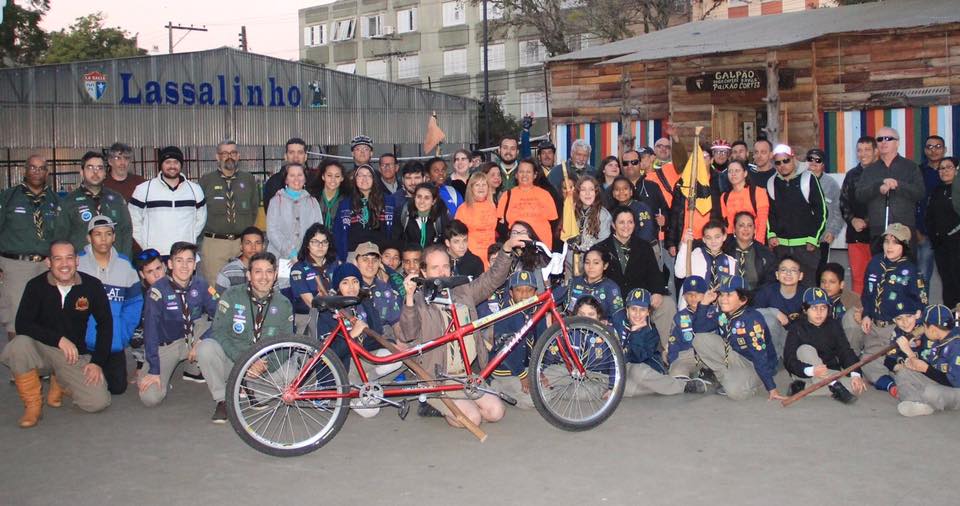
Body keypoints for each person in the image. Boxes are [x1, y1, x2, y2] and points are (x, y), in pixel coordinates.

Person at [398, 235, 528, 428]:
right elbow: (408, 333)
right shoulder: (417, 301)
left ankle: (454, 404)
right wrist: (409, 298)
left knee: (495, 412)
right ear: (423, 272)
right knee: (473, 419)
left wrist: (507, 249)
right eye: (435, 268)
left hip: (467, 374)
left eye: (445, 266)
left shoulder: (462, 291)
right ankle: (433, 403)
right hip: (438, 379)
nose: (442, 273)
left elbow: (492, 279)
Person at [0, 240, 112, 427]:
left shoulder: (92, 286)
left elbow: (105, 324)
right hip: (40, 350)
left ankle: (59, 380)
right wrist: (58, 339)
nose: (64, 264)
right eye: (58, 259)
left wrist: (97, 362)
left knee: (98, 402)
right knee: (18, 345)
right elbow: (22, 324)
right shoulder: (36, 286)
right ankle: (33, 406)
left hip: (73, 354)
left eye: (69, 258)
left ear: (77, 261)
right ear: (48, 262)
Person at [197, 252, 293, 423]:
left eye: (269, 272)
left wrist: (266, 365)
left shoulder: (284, 304)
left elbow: (286, 345)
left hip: (262, 367)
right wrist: (244, 361)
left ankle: (248, 388)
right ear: (249, 275)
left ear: (276, 275)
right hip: (234, 359)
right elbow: (219, 331)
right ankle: (223, 398)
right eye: (258, 272)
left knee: (292, 373)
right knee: (206, 348)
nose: (264, 277)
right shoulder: (232, 295)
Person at [138, 242, 218, 407]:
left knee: (210, 329)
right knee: (150, 398)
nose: (184, 266)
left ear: (194, 265)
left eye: (189, 261)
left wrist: (203, 340)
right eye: (179, 260)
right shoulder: (157, 291)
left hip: (193, 336)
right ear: (170, 264)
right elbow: (150, 331)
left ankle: (193, 368)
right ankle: (160, 372)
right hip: (167, 345)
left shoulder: (201, 285)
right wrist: (154, 369)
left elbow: (221, 316)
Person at [77, 216, 143, 395]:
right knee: (90, 389)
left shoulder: (125, 266)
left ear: (114, 237)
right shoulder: (77, 264)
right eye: (97, 234)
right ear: (89, 238)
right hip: (83, 345)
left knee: (117, 388)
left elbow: (134, 304)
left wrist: (122, 334)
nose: (103, 239)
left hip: (113, 342)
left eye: (108, 234)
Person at [692, 275, 784, 400]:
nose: (723, 299)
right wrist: (703, 304)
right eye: (721, 294)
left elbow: (759, 357)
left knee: (735, 393)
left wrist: (771, 388)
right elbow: (699, 329)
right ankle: (726, 377)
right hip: (735, 355)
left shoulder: (752, 320)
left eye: (729, 295)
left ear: (743, 299)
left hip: (754, 364)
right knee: (699, 340)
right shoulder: (723, 314)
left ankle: (757, 381)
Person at [0, 155, 62, 340]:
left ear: (47, 172)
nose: (37, 172)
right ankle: (21, 367)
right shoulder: (8, 197)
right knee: (16, 319)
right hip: (15, 266)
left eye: (41, 168)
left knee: (48, 315)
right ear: (25, 170)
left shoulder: (55, 200)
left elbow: (61, 234)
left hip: (46, 266)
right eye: (33, 168)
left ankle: (44, 364)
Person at [858, 223, 927, 386]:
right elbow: (867, 294)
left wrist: (914, 327)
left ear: (904, 245)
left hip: (895, 329)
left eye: (895, 242)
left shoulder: (910, 271)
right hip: (874, 326)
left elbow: (922, 303)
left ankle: (891, 382)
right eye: (886, 241)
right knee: (867, 362)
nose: (889, 246)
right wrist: (866, 314)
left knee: (885, 362)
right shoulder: (875, 263)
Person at [617, 288, 708, 397]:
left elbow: (637, 358)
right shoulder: (619, 325)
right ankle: (660, 387)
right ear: (627, 310)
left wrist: (634, 334)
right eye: (633, 309)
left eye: (642, 310)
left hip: (646, 369)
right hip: (624, 372)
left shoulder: (651, 331)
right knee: (622, 387)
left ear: (648, 312)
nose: (637, 314)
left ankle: (683, 386)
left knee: (636, 371)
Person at [782, 287, 865, 404]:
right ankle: (834, 385)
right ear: (805, 310)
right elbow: (789, 360)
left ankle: (802, 388)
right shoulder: (796, 328)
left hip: (828, 370)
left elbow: (845, 350)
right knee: (805, 349)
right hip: (806, 372)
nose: (819, 312)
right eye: (814, 308)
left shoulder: (833, 324)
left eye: (823, 308)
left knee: (855, 386)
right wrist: (811, 370)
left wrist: (855, 373)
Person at [198, 140, 260, 286]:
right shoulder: (206, 180)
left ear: (238, 156)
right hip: (215, 244)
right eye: (224, 153)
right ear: (217, 157)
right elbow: (199, 212)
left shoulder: (249, 179)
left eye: (233, 153)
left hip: (242, 243)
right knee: (214, 285)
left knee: (246, 283)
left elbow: (254, 209)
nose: (229, 157)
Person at [129, 146, 207, 256]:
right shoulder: (144, 189)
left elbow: (201, 219)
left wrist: (189, 238)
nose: (172, 166)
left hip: (184, 255)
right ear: (161, 164)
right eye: (168, 162)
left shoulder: (195, 190)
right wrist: (146, 246)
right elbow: (134, 221)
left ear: (181, 165)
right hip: (155, 256)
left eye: (176, 162)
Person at [856, 127, 925, 248]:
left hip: (904, 229)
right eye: (880, 139)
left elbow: (920, 193)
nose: (883, 142)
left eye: (888, 138)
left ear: (897, 143)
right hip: (878, 229)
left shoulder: (911, 167)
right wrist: (878, 187)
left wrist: (898, 184)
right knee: (880, 265)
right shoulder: (869, 170)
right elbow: (860, 195)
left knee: (905, 266)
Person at [765, 144, 826, 283]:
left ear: (794, 159)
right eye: (778, 162)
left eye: (786, 160)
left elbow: (821, 211)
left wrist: (814, 238)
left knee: (807, 292)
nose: (782, 165)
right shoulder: (771, 183)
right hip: (781, 249)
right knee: (783, 292)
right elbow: (770, 213)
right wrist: (771, 234)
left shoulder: (808, 179)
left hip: (806, 249)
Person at [57, 151, 133, 258]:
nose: (95, 172)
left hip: (114, 264)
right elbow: (61, 238)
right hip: (83, 266)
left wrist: (125, 260)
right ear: (82, 172)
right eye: (90, 167)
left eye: (100, 168)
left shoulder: (117, 199)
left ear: (105, 173)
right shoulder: (69, 202)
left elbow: (126, 231)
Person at [488, 270, 544, 409]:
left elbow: (542, 341)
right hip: (507, 369)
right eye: (519, 290)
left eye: (529, 290)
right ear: (511, 293)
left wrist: (539, 371)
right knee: (535, 401)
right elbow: (505, 350)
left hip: (527, 365)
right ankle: (496, 387)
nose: (524, 295)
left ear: (535, 292)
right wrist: (523, 376)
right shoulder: (506, 313)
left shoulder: (538, 310)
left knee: (549, 388)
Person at [894, 304, 960, 417]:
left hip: (955, 388)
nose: (923, 330)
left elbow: (954, 382)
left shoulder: (956, 346)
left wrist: (924, 367)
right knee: (903, 374)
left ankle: (924, 401)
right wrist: (915, 364)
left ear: (933, 329)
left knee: (931, 392)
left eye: (924, 327)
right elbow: (932, 368)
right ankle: (915, 403)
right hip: (940, 382)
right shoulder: (938, 340)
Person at [838, 136, 878, 294]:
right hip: (856, 234)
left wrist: (868, 221)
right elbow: (843, 202)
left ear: (876, 151)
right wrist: (852, 219)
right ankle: (858, 314)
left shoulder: (882, 172)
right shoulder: (852, 175)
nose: (863, 154)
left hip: (879, 235)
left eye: (867, 150)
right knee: (858, 277)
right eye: (859, 150)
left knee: (879, 277)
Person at [334, 164, 397, 261]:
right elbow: (338, 232)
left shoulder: (388, 201)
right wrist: (341, 257)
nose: (364, 178)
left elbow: (395, 231)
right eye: (360, 175)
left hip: (381, 254)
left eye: (368, 175)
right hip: (353, 254)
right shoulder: (345, 204)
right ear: (355, 179)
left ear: (374, 179)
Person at [266, 163, 323, 264]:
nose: (296, 179)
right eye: (292, 175)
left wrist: (304, 253)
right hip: (280, 258)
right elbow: (272, 231)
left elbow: (318, 230)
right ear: (286, 180)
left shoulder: (312, 202)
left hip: (307, 257)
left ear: (305, 178)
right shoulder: (276, 201)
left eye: (300, 175)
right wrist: (291, 253)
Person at [753, 255, 809, 359]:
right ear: (777, 275)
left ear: (800, 276)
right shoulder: (767, 291)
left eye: (793, 270)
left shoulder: (806, 294)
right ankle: (772, 358)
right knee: (769, 320)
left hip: (797, 337)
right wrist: (774, 312)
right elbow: (750, 312)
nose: (788, 273)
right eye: (783, 270)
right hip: (775, 336)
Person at [498, 159, 559, 251]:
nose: (524, 175)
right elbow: (500, 225)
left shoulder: (545, 194)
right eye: (521, 172)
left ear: (535, 175)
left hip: (541, 246)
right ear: (516, 175)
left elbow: (554, 222)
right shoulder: (507, 195)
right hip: (516, 247)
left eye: (528, 172)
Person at [289, 224, 339, 333]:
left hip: (337, 314)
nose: (320, 246)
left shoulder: (335, 264)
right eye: (315, 242)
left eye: (324, 242)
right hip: (309, 318)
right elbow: (310, 302)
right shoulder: (299, 268)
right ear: (307, 244)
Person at [925, 156, 960, 309]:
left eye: (949, 167)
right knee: (947, 282)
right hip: (941, 246)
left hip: (957, 244)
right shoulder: (936, 191)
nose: (944, 171)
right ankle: (951, 320)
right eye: (941, 168)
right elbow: (930, 217)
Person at [667, 276, 717, 379]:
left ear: (706, 295)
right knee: (676, 371)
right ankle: (690, 382)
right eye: (689, 294)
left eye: (698, 294)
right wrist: (673, 360)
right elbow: (673, 341)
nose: (693, 297)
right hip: (689, 355)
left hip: (711, 354)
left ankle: (706, 374)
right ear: (684, 297)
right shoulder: (680, 317)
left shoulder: (714, 312)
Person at [675, 219, 736, 300]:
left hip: (719, 308)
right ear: (703, 239)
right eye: (708, 237)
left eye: (717, 237)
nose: (713, 241)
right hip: (694, 305)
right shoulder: (695, 255)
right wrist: (685, 245)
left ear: (724, 236)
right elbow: (679, 273)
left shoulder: (731, 262)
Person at [915, 135, 947, 287]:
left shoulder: (952, 170)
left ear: (945, 149)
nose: (934, 150)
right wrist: (916, 232)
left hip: (949, 235)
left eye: (938, 146)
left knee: (951, 276)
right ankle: (922, 310)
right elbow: (912, 202)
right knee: (921, 278)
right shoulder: (918, 172)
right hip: (924, 234)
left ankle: (953, 311)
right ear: (925, 150)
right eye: (930, 147)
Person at [805, 148, 843, 270]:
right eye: (810, 159)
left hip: (822, 239)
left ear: (823, 165)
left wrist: (832, 231)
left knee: (820, 272)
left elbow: (839, 210)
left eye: (818, 160)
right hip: (801, 238)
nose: (813, 163)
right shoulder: (798, 180)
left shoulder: (831, 184)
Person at [564, 248, 624, 323]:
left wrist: (607, 323)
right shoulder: (574, 282)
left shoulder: (611, 288)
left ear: (605, 265)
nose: (591, 267)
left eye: (596, 263)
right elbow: (551, 299)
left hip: (598, 332)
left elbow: (619, 318)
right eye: (587, 262)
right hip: (572, 330)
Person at [723, 212, 777, 290]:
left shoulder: (765, 253)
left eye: (750, 225)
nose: (746, 229)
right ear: (734, 229)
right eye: (741, 225)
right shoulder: (725, 249)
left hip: (756, 297)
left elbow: (769, 282)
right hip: (729, 296)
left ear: (754, 230)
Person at [455, 171, 498, 270]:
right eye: (477, 185)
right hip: (472, 257)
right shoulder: (463, 209)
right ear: (471, 188)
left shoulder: (492, 206)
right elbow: (457, 235)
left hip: (491, 256)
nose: (481, 188)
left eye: (484, 184)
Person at [719, 160, 769, 245]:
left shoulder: (758, 192)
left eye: (737, 171)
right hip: (734, 244)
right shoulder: (724, 197)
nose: (733, 174)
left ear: (745, 173)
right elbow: (729, 225)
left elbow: (762, 223)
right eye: (730, 171)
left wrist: (759, 245)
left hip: (754, 242)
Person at [394, 183, 449, 249]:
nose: (422, 201)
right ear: (414, 198)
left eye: (427, 198)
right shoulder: (404, 214)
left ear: (433, 201)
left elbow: (444, 244)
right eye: (419, 197)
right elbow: (397, 241)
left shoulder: (440, 218)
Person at [214, 226, 265, 296]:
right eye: (248, 243)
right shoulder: (228, 272)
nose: (253, 247)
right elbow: (217, 299)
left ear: (263, 246)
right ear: (241, 246)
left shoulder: (269, 271)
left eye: (258, 243)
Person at [570, 176, 611, 263]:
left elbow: (604, 243)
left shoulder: (603, 215)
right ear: (578, 192)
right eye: (583, 190)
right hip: (571, 261)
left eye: (591, 189)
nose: (587, 193)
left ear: (596, 192)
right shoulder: (572, 211)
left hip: (592, 262)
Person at [263, 138, 308, 213]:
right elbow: (270, 213)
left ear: (305, 157)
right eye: (291, 152)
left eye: (300, 152)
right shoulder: (273, 183)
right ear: (285, 156)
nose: (295, 157)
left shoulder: (314, 182)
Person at [608, 176, 657, 245]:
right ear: (613, 193)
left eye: (625, 188)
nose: (621, 191)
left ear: (631, 192)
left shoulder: (641, 208)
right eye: (617, 189)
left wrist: (634, 248)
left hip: (645, 247)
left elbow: (646, 231)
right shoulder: (612, 211)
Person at [315, 160, 346, 230]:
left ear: (342, 178)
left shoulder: (346, 200)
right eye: (329, 175)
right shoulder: (314, 198)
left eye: (337, 176)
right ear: (323, 176)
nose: (333, 179)